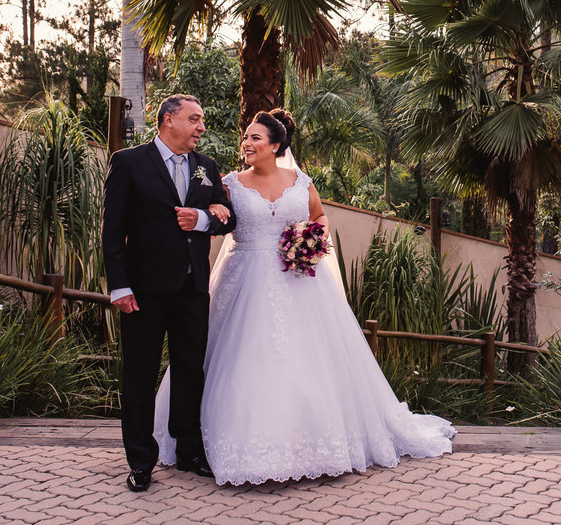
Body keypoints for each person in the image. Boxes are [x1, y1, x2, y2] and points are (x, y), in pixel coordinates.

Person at [153, 108, 455, 485]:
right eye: (245, 137)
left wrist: (309, 242)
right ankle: (212, 444)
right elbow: (219, 220)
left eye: (255, 138)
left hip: (298, 280)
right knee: (238, 356)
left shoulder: (301, 181)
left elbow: (320, 218)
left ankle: (314, 446)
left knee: (307, 360)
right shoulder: (228, 182)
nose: (246, 143)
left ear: (275, 145)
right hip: (243, 278)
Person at [103, 94, 238, 492]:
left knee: (189, 373)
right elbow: (112, 232)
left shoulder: (207, 168)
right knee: (140, 377)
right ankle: (141, 461)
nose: (201, 128)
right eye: (195, 119)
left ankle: (188, 451)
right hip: (142, 292)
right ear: (167, 121)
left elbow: (226, 219)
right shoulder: (128, 162)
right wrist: (120, 286)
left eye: (202, 121)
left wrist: (201, 220)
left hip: (192, 289)